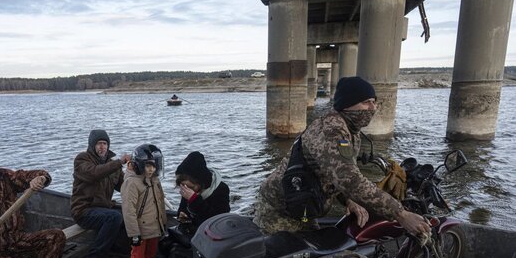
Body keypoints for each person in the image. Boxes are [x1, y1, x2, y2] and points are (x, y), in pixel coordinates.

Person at [254, 76, 431, 238]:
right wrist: (401, 214)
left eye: (373, 102)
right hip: (282, 209)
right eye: (365, 103)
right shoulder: (331, 130)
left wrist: (348, 200)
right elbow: (349, 179)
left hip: (304, 204)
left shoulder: (349, 129)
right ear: (347, 104)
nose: (372, 108)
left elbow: (332, 173)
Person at [70, 129, 131, 258]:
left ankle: (120, 251)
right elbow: (94, 173)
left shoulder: (111, 165)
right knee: (113, 217)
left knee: (128, 213)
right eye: (99, 144)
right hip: (84, 211)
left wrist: (137, 175)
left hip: (103, 208)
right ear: (92, 145)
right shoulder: (82, 160)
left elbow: (124, 187)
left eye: (104, 143)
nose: (102, 147)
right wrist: (119, 162)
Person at [121, 144, 167, 258]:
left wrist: (163, 224)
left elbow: (160, 202)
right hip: (140, 230)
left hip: (153, 227)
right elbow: (129, 211)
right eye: (147, 166)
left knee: (150, 256)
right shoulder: (131, 183)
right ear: (139, 164)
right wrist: (134, 234)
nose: (151, 169)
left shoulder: (154, 180)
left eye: (153, 166)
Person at [175, 151, 230, 229]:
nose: (188, 190)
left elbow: (218, 218)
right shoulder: (187, 190)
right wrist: (182, 216)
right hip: (193, 233)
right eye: (184, 186)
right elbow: (182, 209)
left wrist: (194, 200)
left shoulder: (221, 189)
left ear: (200, 182)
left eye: (192, 187)